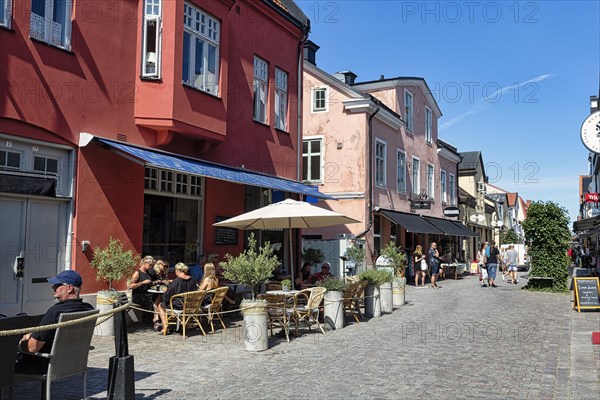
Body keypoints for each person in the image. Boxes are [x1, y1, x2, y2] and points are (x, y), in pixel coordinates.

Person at [16, 270, 95, 374]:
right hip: (71, 363)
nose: (53, 287)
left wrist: (22, 341)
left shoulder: (55, 312)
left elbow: (32, 347)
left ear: (69, 288)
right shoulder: (89, 309)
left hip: (45, 365)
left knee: (6, 360)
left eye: (57, 285)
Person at [157, 262, 199, 335]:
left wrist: (165, 292)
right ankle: (183, 325)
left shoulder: (176, 281)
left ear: (177, 271)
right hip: (190, 305)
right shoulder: (192, 280)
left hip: (179, 305)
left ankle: (165, 327)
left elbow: (167, 295)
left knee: (160, 305)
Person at [128, 255, 156, 324]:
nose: (151, 267)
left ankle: (155, 319)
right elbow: (130, 286)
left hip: (146, 294)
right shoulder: (137, 272)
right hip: (138, 296)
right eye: (150, 265)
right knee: (153, 300)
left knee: (157, 298)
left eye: (152, 265)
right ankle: (153, 320)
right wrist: (142, 282)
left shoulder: (147, 272)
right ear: (145, 263)